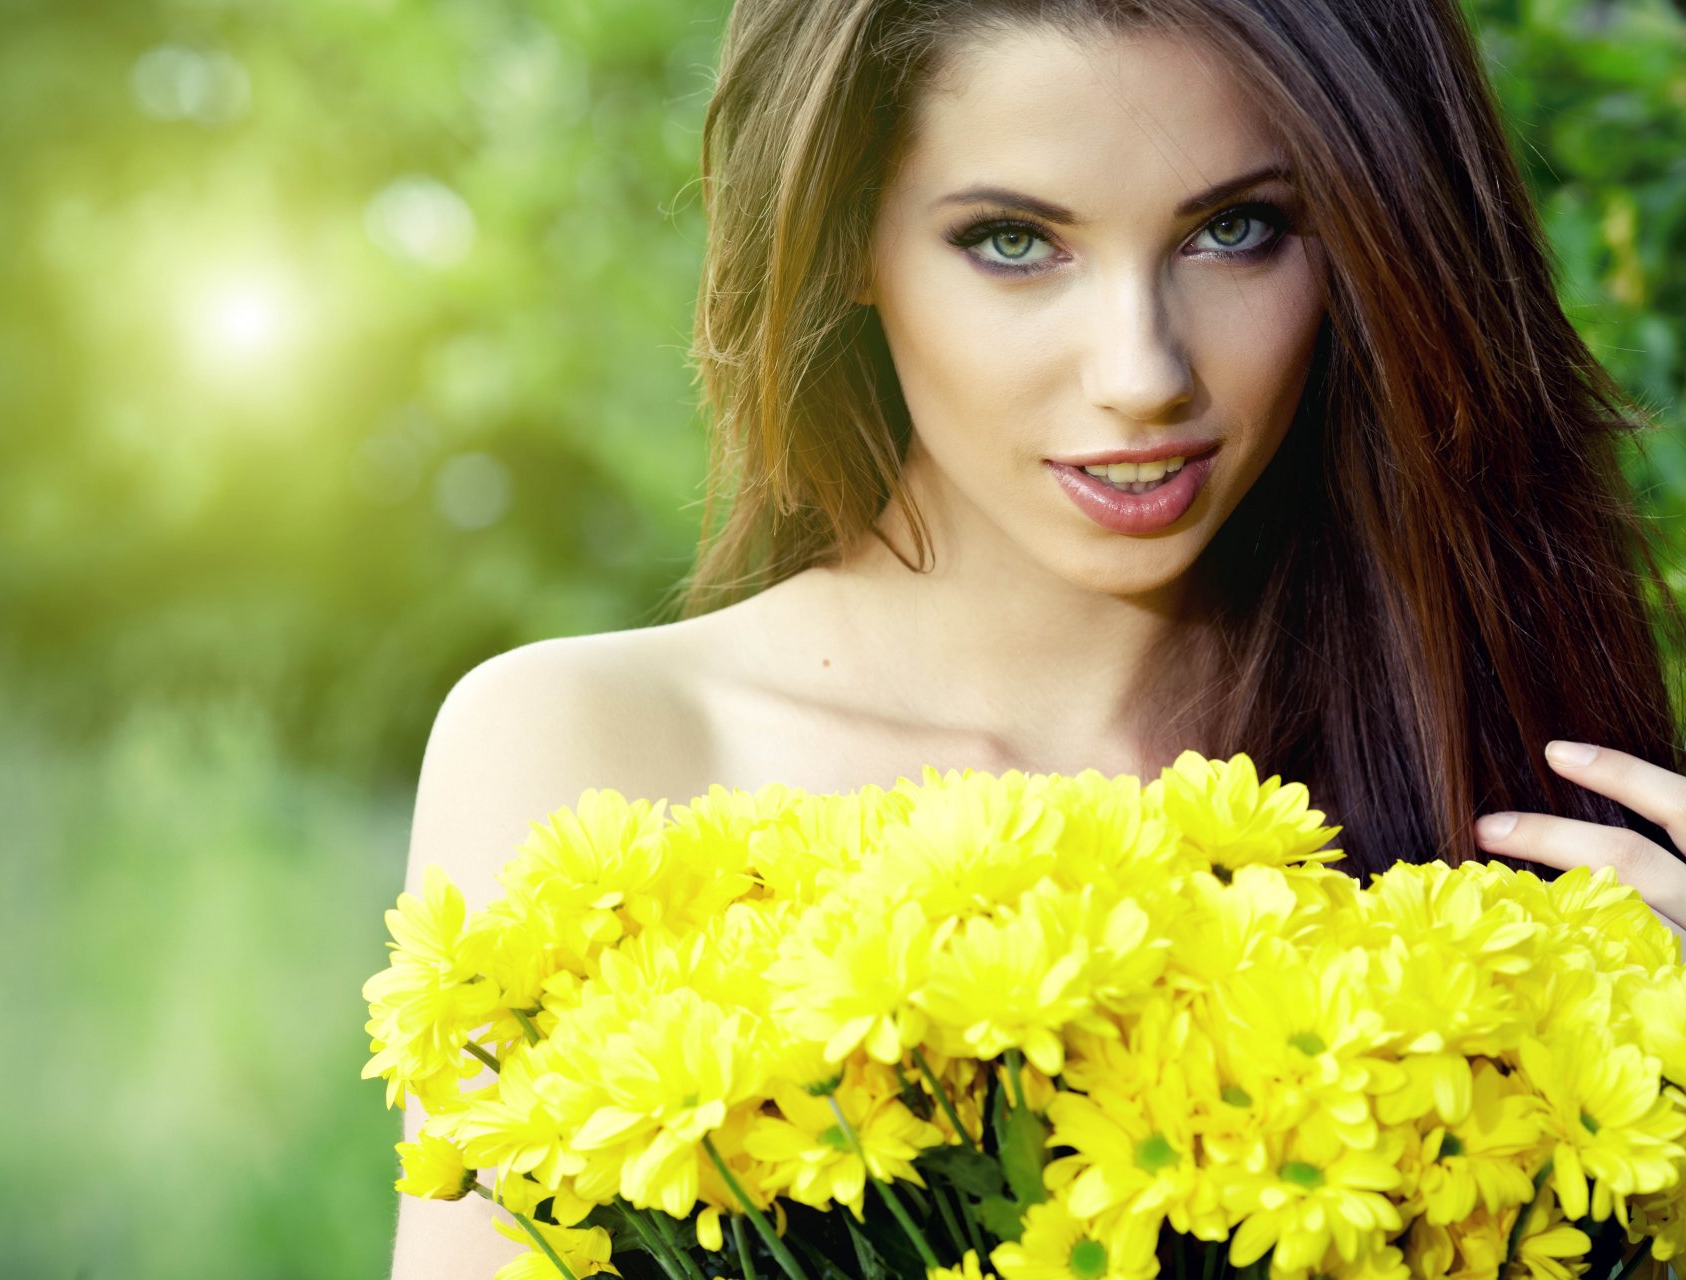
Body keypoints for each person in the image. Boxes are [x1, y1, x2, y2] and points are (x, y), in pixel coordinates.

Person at [386, 0, 1686, 1274]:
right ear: (845, 238)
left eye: (1237, 230)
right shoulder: (597, 753)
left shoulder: (1487, 747)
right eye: (1014, 241)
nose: (1141, 372)